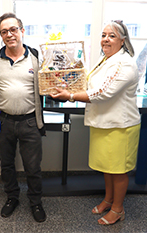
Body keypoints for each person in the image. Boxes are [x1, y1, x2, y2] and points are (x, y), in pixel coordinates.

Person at [50, 21, 140, 226]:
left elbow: (102, 92)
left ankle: (118, 209)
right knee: (107, 167)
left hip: (120, 126)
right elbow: (91, 83)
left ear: (123, 40)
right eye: (103, 35)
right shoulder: (106, 59)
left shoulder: (124, 63)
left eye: (112, 36)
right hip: (104, 123)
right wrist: (67, 82)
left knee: (118, 170)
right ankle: (108, 200)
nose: (106, 39)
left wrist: (70, 95)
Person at [0, 12, 46, 223]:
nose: (9, 34)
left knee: (33, 167)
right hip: (3, 121)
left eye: (13, 29)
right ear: (1, 35)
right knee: (6, 165)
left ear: (22, 31)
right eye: (4, 31)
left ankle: (35, 202)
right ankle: (12, 198)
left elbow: (47, 84)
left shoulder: (36, 56)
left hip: (30, 121)